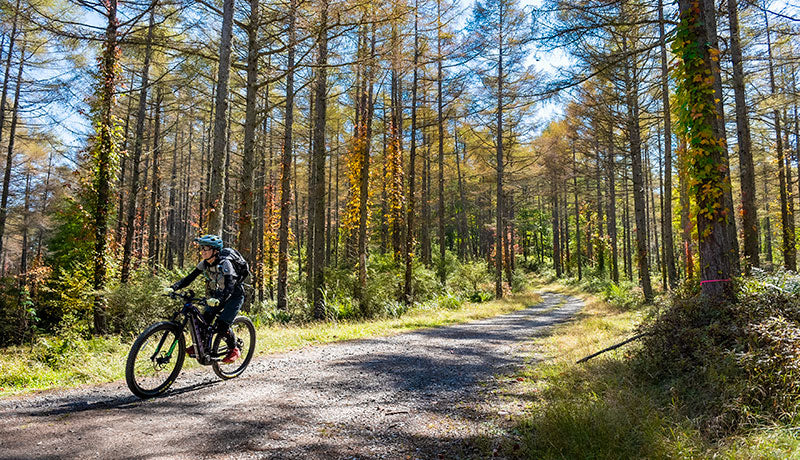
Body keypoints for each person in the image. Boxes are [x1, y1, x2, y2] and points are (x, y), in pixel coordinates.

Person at [167, 234, 244, 363]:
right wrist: (174, 287)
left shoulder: (225, 263)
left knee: (222, 325)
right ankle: (201, 346)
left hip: (234, 295)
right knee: (204, 321)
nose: (202, 251)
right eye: (201, 248)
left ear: (215, 251)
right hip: (219, 294)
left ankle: (234, 349)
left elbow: (230, 285)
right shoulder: (204, 264)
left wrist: (220, 299)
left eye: (206, 249)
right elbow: (189, 278)